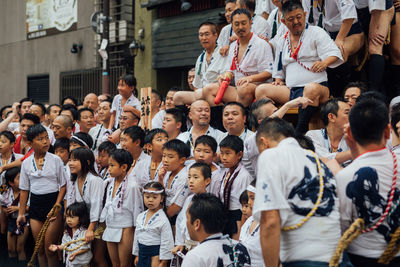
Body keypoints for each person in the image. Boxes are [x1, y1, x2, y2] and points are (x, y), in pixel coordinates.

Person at [253, 118, 342, 267]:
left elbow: (270, 221)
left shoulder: (272, 155)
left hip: (305, 258)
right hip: (337, 257)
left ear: (264, 142)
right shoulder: (318, 161)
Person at [255, 0, 343, 135]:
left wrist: (324, 63)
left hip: (318, 88)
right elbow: (279, 65)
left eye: (299, 17)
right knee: (261, 89)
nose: (296, 21)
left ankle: (299, 133)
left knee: (311, 88)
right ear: (284, 22)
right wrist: (278, 78)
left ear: (305, 15)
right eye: (291, 19)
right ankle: (270, 130)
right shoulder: (282, 39)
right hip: (292, 90)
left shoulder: (316, 32)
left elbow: (335, 54)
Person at [336, 98, 400, 266]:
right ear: (388, 132)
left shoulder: (345, 176)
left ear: (349, 133)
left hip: (361, 259)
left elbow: (343, 228)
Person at [17, 124, 67, 267]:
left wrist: (57, 206)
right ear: (30, 143)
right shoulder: (26, 163)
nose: (45, 141)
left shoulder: (56, 160)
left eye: (46, 138)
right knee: (39, 248)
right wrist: (21, 213)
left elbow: (63, 186)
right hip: (35, 206)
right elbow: (25, 190)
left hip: (53, 204)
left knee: (49, 248)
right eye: (40, 139)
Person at [203, 8, 274, 108]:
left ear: (250, 23)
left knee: (243, 89)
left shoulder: (261, 44)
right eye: (236, 24)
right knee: (208, 89)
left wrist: (249, 78)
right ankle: (222, 120)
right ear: (232, 26)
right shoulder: (232, 46)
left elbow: (269, 72)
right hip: (238, 89)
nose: (240, 27)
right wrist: (225, 75)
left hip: (256, 88)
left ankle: (241, 119)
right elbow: (231, 71)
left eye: (243, 23)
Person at [181, 193, 251, 266]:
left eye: (187, 218)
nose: (186, 222)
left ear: (197, 224)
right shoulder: (240, 248)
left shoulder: (195, 257)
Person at [100, 149, 143, 267]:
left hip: (126, 228)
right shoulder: (108, 183)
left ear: (124, 167)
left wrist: (136, 232)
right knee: (115, 264)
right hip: (111, 225)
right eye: (109, 165)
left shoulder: (132, 186)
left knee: (124, 264)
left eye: (112, 165)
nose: (109, 168)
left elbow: (137, 211)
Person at [66, 147, 106, 267]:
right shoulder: (76, 178)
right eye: (70, 160)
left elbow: (96, 205)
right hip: (83, 223)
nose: (70, 163)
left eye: (75, 160)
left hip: (97, 223)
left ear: (87, 162)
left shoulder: (95, 180)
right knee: (85, 257)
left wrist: (90, 229)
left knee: (98, 257)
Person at [173, 22, 229, 106]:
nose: (204, 38)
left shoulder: (223, 52)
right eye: (201, 35)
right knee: (177, 96)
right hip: (202, 93)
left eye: (207, 34)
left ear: (215, 35)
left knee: (207, 90)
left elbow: (228, 76)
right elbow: (197, 85)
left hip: (219, 91)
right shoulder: (200, 58)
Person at [172, 163, 212, 259]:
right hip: (187, 245)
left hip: (202, 248)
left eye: (195, 177)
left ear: (207, 180)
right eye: (189, 177)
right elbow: (180, 221)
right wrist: (180, 243)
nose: (191, 181)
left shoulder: (210, 203)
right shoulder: (189, 199)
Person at [219, 135, 253, 239]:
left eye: (228, 153)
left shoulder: (245, 175)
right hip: (226, 216)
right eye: (221, 153)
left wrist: (241, 229)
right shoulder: (225, 172)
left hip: (238, 217)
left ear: (239, 155)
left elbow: (245, 204)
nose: (224, 157)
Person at [133, 182, 174, 267]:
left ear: (161, 198)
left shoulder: (163, 219)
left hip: (155, 255)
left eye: (154, 197)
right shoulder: (140, 216)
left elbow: (166, 241)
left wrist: (163, 261)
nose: (150, 200)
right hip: (141, 252)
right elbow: (137, 236)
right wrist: (136, 254)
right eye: (147, 197)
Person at [305, 98, 352, 164]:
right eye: (347, 113)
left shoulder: (353, 136)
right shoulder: (312, 135)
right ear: (331, 117)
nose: (352, 116)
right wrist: (354, 151)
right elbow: (323, 159)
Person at [49, 202, 92, 267]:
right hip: (70, 263)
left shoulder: (84, 232)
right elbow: (65, 245)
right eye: (67, 217)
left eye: (72, 217)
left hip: (82, 263)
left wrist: (76, 254)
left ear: (81, 218)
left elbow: (86, 248)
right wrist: (57, 247)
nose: (69, 220)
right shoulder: (67, 232)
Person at [0, 167, 29, 262]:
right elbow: (2, 205)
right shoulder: (5, 192)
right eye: (19, 178)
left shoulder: (27, 191)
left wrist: (17, 208)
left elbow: (30, 207)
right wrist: (4, 210)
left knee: (20, 248)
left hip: (24, 221)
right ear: (11, 183)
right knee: (11, 249)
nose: (22, 179)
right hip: (12, 221)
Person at [161, 140, 190, 222]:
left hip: (178, 217)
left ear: (182, 160)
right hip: (165, 213)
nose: (165, 160)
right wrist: (160, 178)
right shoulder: (167, 172)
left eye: (170, 157)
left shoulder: (185, 177)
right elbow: (161, 193)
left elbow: (176, 206)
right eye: (164, 156)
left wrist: (159, 220)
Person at [239, 180, 264, 267]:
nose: (249, 202)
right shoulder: (250, 220)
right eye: (249, 198)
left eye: (252, 198)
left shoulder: (271, 224)